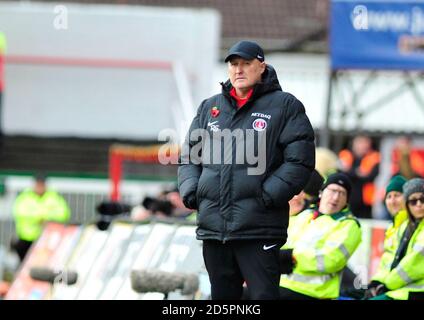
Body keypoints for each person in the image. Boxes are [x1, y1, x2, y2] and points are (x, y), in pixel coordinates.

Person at [178, 40, 315, 300]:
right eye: (234, 64)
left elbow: (300, 161)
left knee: (262, 297)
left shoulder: (285, 106)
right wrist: (192, 192)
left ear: (261, 66)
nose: (238, 70)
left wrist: (266, 196)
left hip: (259, 227)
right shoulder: (210, 107)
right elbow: (189, 157)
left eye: (246, 63)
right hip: (215, 228)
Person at [279, 172, 362, 300]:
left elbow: (331, 260)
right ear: (321, 193)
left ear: (347, 201)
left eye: (342, 193)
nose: (335, 197)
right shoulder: (305, 215)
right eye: (332, 191)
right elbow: (282, 243)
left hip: (314, 293)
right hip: (282, 285)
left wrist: (292, 257)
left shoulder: (349, 225)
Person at [365, 178, 424, 300]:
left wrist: (387, 285)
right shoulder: (403, 227)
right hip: (400, 288)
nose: (419, 204)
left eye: (397, 195)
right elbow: (388, 261)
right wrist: (377, 282)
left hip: (412, 290)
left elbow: (412, 264)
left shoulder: (410, 225)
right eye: (413, 201)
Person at [12, 174, 71, 262]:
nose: (40, 187)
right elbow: (20, 213)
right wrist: (39, 218)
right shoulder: (24, 197)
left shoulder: (54, 196)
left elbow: (64, 213)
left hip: (48, 238)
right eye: (38, 184)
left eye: (42, 184)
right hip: (28, 238)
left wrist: (47, 219)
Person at [339, 135, 380, 219]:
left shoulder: (374, 157)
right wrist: (358, 172)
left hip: (365, 202)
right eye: (360, 142)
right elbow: (342, 173)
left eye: (366, 142)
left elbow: (370, 177)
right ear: (354, 143)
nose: (363, 145)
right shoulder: (345, 154)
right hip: (347, 198)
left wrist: (351, 171)